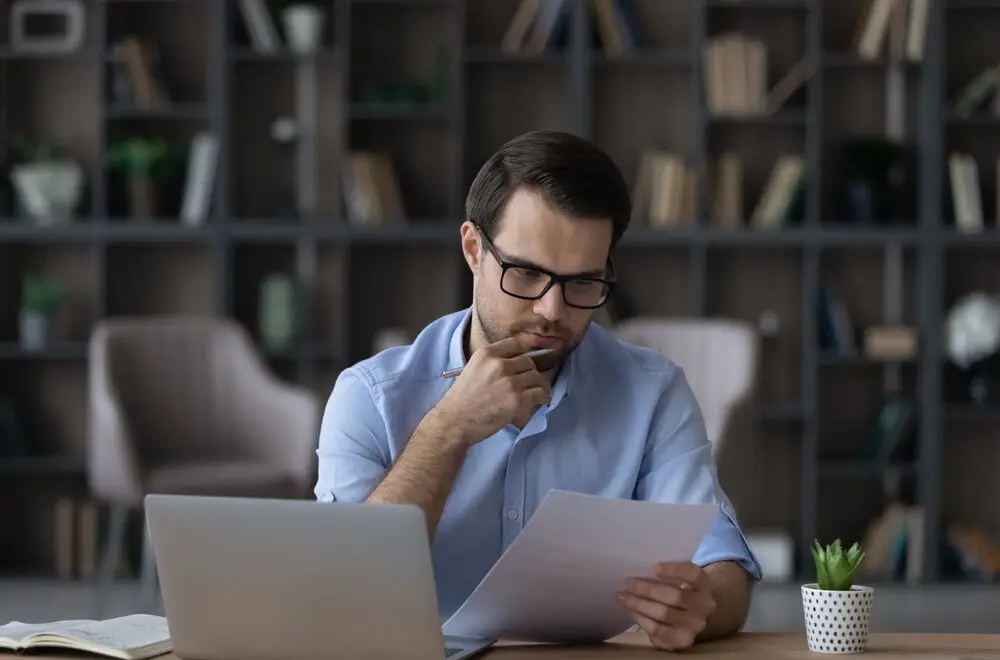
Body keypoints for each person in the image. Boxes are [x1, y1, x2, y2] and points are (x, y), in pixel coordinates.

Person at [314, 130, 761, 651]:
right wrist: (448, 430)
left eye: (583, 283)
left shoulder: (653, 393)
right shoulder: (368, 395)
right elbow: (342, 591)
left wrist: (699, 607)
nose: (552, 310)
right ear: (474, 250)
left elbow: (723, 570)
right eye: (526, 274)